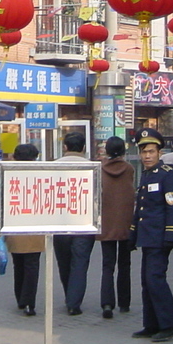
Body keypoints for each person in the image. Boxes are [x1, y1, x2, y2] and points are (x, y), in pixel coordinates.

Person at [129, 129, 173, 342]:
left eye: (151, 152)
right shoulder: (146, 175)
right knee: (147, 281)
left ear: (159, 152)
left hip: (161, 237)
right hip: (148, 237)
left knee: (155, 279)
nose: (147, 156)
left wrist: (172, 233)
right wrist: (133, 233)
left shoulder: (167, 174)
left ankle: (170, 325)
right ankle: (152, 324)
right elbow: (141, 208)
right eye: (144, 152)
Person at [52, 130, 95, 316]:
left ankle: (69, 295)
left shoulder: (52, 167)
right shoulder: (93, 167)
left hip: (60, 224)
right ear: (84, 148)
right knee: (80, 263)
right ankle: (73, 302)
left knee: (64, 262)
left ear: (65, 147)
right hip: (85, 224)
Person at [3, 143, 44, 317]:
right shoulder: (42, 176)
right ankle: (29, 303)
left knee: (18, 264)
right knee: (32, 266)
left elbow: (2, 203)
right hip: (35, 227)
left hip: (14, 225)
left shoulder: (8, 175)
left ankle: (21, 298)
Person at [97, 136, 135, 320]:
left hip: (107, 223)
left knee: (107, 265)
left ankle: (107, 303)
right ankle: (125, 302)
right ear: (123, 151)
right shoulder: (129, 169)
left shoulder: (100, 169)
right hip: (126, 223)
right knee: (125, 264)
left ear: (107, 150)